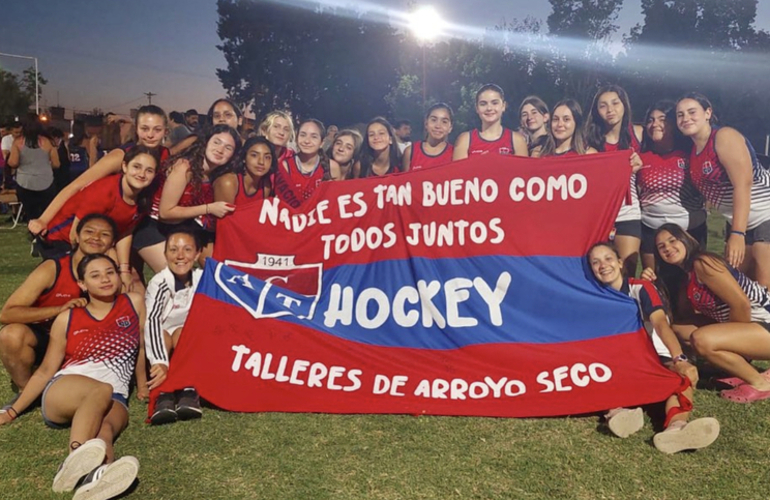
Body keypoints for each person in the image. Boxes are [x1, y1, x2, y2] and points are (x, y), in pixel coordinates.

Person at [0, 254, 142, 499]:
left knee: (105, 429)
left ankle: (97, 477)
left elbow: (142, 345)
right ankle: (72, 458)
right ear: (83, 284)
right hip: (64, 391)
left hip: (116, 396)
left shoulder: (134, 302)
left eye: (110, 272)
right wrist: (13, 410)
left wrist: (143, 385)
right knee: (101, 389)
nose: (105, 279)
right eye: (95, 275)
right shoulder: (68, 317)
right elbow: (45, 370)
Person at [587, 242, 719, 453]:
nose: (603, 265)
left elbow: (660, 323)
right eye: (596, 262)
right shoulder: (592, 296)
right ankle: (618, 413)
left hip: (655, 358)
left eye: (608, 258)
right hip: (621, 364)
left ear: (620, 263)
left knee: (681, 378)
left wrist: (679, 359)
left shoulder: (640, 287)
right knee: (601, 373)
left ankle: (677, 429)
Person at [0, 214, 119, 403]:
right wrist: (58, 309)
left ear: (112, 243)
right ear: (76, 237)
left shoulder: (113, 273)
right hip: (46, 337)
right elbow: (7, 313)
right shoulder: (53, 268)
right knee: (10, 335)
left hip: (84, 344)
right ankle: (28, 390)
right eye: (89, 231)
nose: (96, 237)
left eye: (104, 234)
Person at [648, 224, 770, 403]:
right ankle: (740, 370)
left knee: (702, 339)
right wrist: (653, 283)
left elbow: (741, 304)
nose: (668, 248)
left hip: (764, 322)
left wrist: (736, 347)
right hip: (753, 327)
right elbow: (685, 317)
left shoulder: (703, 263)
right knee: (679, 330)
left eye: (672, 240)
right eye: (661, 246)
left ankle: (760, 384)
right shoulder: (687, 275)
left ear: (685, 239)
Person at [28, 105, 170, 239]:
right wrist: (43, 219)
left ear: (165, 131)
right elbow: (77, 185)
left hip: (129, 225)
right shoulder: (121, 156)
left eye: (157, 130)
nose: (150, 135)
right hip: (90, 226)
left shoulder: (164, 154)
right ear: (137, 130)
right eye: (144, 129)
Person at [676, 92, 770, 287]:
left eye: (692, 112)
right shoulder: (694, 152)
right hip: (743, 223)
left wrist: (737, 234)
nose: (686, 118)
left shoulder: (724, 136)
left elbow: (743, 185)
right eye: (680, 115)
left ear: (708, 112)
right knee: (741, 285)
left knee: (764, 282)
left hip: (764, 214)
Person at [39, 146, 159, 282]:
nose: (142, 174)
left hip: (97, 243)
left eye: (149, 171)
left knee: (130, 279)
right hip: (63, 241)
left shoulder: (143, 199)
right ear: (124, 166)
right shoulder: (105, 191)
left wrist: (124, 270)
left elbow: (125, 233)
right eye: (136, 167)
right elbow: (77, 236)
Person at [154, 124, 241, 266]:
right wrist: (209, 208)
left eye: (228, 148)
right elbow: (165, 212)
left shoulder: (216, 174)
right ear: (206, 143)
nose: (220, 150)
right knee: (177, 278)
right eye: (216, 142)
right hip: (157, 225)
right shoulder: (184, 167)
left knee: (217, 265)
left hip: (185, 226)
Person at [637, 100, 707, 271]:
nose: (655, 124)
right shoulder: (640, 156)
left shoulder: (690, 152)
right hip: (651, 231)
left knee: (693, 283)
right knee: (655, 283)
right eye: (651, 120)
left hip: (689, 230)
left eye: (662, 119)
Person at [145, 230, 204, 425]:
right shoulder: (159, 283)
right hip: (161, 338)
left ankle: (188, 389)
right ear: (165, 255)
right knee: (166, 335)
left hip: (188, 338)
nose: (180, 256)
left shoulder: (203, 278)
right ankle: (164, 394)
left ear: (196, 254)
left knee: (183, 333)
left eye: (187, 250)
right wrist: (159, 360)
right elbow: (152, 320)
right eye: (173, 250)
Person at [586, 85, 645, 277]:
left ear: (624, 105)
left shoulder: (638, 134)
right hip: (599, 216)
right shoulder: (590, 141)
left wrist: (640, 164)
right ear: (596, 111)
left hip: (628, 213)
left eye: (615, 103)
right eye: (603, 106)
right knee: (600, 274)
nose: (610, 110)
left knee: (627, 275)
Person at [6, 113, 60, 221]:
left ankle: (34, 234)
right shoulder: (48, 141)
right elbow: (56, 164)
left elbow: (13, 163)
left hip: (25, 182)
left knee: (31, 213)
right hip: (46, 181)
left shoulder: (18, 142)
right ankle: (45, 234)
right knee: (46, 214)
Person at [453, 83, 528, 160]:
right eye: (483, 104)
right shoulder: (465, 140)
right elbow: (458, 171)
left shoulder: (517, 140)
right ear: (477, 108)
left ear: (503, 106)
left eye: (494, 103)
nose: (489, 108)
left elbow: (523, 170)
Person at [274, 119, 330, 206]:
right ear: (296, 138)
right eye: (303, 135)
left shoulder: (332, 166)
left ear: (322, 142)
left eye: (314, 137)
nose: (307, 141)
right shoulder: (285, 166)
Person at [214, 136, 276, 205]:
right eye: (254, 155)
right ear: (244, 158)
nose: (261, 162)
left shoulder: (265, 186)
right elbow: (224, 215)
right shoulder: (228, 183)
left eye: (267, 157)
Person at [402, 103, 454, 171]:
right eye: (433, 120)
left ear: (450, 128)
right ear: (426, 123)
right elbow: (404, 180)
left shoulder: (454, 153)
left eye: (444, 122)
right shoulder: (411, 151)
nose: (438, 126)